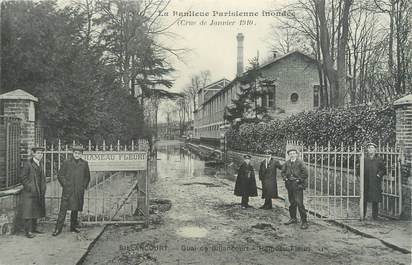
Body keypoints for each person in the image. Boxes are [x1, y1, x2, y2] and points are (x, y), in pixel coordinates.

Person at [52, 145, 90, 236]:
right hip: (68, 190)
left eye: (79, 153)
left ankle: (73, 227)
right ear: (73, 153)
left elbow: (87, 177)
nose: (77, 155)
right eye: (75, 153)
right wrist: (65, 184)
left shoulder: (84, 163)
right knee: (63, 210)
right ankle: (58, 229)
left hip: (78, 190)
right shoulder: (67, 162)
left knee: (75, 209)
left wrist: (82, 186)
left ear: (81, 154)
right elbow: (60, 175)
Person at [20, 146, 46, 238]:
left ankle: (34, 228)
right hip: (30, 192)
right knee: (29, 211)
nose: (40, 155)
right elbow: (23, 178)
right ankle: (28, 231)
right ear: (33, 154)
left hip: (38, 190)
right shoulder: (28, 164)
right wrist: (30, 187)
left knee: (36, 210)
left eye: (41, 153)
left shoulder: (40, 164)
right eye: (38, 153)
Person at [282, 148, 309, 229]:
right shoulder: (287, 163)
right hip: (289, 185)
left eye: (294, 153)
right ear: (289, 155)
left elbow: (305, 173)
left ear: (296, 154)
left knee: (299, 203)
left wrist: (298, 180)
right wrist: (285, 178)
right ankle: (293, 218)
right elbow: (283, 172)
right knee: (292, 202)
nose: (292, 155)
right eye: (291, 154)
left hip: (298, 185)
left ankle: (304, 222)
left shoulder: (300, 163)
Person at [364, 142, 385, 220]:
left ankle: (375, 216)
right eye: (369, 148)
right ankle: (362, 214)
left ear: (375, 150)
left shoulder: (379, 159)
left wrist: (379, 175)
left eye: (372, 148)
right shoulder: (364, 158)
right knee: (364, 199)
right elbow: (358, 169)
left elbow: (383, 170)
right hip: (366, 182)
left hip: (375, 182)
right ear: (367, 149)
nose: (370, 149)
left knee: (375, 199)